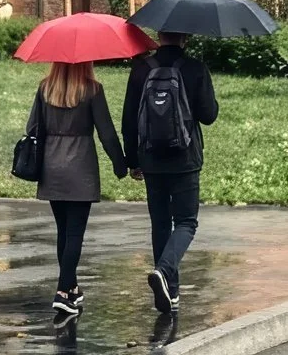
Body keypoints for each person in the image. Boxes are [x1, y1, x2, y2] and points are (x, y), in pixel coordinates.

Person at [122, 31, 219, 316]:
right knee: (187, 222)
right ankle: (164, 272)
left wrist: (132, 159)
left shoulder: (141, 69)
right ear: (186, 36)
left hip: (151, 159)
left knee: (160, 223)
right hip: (185, 159)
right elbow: (209, 115)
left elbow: (129, 119)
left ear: (159, 35)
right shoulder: (195, 68)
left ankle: (170, 291)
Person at [29, 61, 127, 319]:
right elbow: (106, 133)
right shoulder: (92, 90)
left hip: (52, 167)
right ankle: (62, 292)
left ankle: (71, 287)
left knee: (63, 231)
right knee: (75, 233)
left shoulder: (45, 89)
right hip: (80, 166)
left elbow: (33, 129)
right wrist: (120, 164)